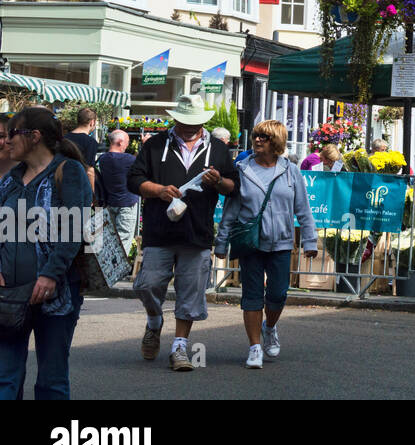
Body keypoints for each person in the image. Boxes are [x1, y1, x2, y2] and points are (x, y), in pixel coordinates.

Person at [127, 94, 240, 372]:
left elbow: (233, 186)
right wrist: (158, 190)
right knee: (147, 284)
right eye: (184, 122)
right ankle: (154, 322)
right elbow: (133, 179)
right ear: (175, 118)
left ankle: (180, 347)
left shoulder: (217, 149)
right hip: (159, 230)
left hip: (197, 232)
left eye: (195, 123)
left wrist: (219, 181)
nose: (190, 128)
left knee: (190, 293)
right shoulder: (155, 145)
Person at [0, 108, 92, 399]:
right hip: (9, 294)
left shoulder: (69, 171)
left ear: (34, 137)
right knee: (4, 377)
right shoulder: (11, 178)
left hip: (56, 294)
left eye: (12, 133)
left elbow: (73, 230)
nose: (7, 141)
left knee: (51, 381)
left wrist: (50, 275)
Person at [215, 120, 318, 368]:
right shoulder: (242, 169)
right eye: (257, 136)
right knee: (251, 296)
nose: (258, 140)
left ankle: (269, 327)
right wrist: (221, 243)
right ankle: (254, 348)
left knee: (278, 294)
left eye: (264, 137)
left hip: (281, 243)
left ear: (277, 143)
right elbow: (231, 209)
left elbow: (303, 208)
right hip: (251, 244)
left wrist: (309, 239)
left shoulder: (291, 171)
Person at [96, 129, 140, 254]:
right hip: (127, 205)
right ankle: (120, 272)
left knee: (112, 240)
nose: (127, 145)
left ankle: (108, 271)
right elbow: (143, 165)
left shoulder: (103, 159)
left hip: (111, 204)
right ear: (120, 142)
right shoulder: (128, 159)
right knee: (124, 240)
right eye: (126, 142)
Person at [62, 107, 100, 182]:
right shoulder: (90, 142)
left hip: (63, 180)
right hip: (80, 183)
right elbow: (89, 171)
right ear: (92, 122)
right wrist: (92, 192)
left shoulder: (63, 138)